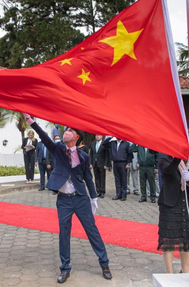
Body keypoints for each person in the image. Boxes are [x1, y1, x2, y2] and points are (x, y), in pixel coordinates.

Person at [24, 113, 112, 283]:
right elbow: (43, 135)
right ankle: (65, 268)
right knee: (64, 234)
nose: (66, 131)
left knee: (92, 231)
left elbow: (88, 178)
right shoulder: (58, 149)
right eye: (66, 129)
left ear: (77, 136)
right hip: (63, 200)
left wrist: (94, 197)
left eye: (70, 130)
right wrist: (31, 121)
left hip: (80, 199)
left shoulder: (84, 156)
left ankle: (105, 263)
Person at [157, 154, 189, 273]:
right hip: (170, 203)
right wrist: (178, 157)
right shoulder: (163, 158)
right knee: (169, 240)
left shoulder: (188, 160)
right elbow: (168, 169)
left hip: (186, 202)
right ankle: (169, 273)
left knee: (186, 238)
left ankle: (185, 270)